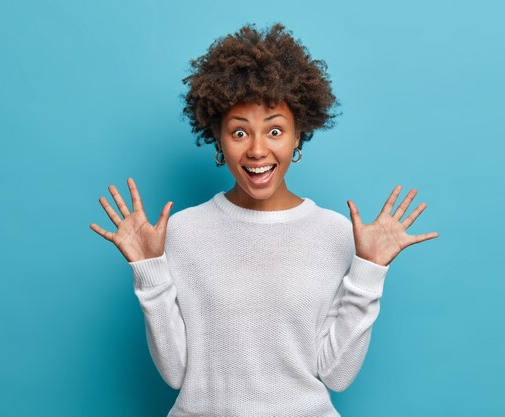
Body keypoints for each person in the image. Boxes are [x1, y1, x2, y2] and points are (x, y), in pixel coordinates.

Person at [90, 22, 438, 417]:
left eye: (275, 130)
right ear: (218, 138)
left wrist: (370, 270)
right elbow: (175, 374)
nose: (257, 150)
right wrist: (147, 270)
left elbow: (337, 376)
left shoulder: (336, 234)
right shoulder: (183, 232)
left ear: (297, 137)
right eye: (240, 133)